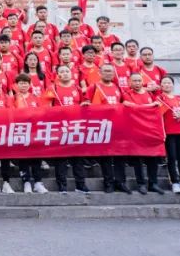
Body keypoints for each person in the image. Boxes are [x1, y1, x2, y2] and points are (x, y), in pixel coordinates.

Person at [45, 65, 89, 193]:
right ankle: (62, 184)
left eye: (67, 71)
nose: (65, 73)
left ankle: (80, 185)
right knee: (61, 157)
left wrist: (84, 105)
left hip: (76, 127)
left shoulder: (77, 88)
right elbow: (47, 107)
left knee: (78, 158)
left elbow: (85, 102)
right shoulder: (53, 88)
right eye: (62, 72)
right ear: (57, 75)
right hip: (60, 127)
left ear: (71, 73)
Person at [89, 63, 128, 193]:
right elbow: (88, 104)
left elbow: (123, 103)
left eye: (110, 71)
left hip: (118, 125)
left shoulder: (117, 87)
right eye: (105, 71)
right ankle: (108, 182)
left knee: (120, 155)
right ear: (100, 73)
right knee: (106, 156)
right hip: (103, 125)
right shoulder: (94, 87)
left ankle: (121, 181)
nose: (108, 73)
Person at [123, 73, 165, 194]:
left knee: (153, 157)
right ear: (129, 82)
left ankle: (153, 183)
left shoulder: (150, 94)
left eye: (139, 81)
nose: (137, 83)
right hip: (135, 131)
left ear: (142, 82)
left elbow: (158, 106)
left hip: (150, 130)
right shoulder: (127, 94)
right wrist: (150, 105)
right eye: (134, 81)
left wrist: (149, 105)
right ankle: (141, 184)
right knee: (138, 159)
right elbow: (132, 108)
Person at [11, 74, 47, 193]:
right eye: (21, 83)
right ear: (17, 85)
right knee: (23, 157)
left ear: (29, 84)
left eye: (26, 83)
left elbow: (42, 112)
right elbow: (10, 113)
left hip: (34, 131)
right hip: (20, 131)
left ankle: (38, 182)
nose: (23, 85)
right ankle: (26, 181)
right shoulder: (13, 98)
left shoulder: (35, 97)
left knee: (36, 157)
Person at [158, 76, 180, 194]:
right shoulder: (160, 98)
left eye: (169, 83)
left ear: (172, 85)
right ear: (161, 85)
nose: (167, 85)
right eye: (164, 83)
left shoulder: (179, 98)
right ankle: (175, 182)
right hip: (169, 132)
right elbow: (157, 113)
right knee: (172, 157)